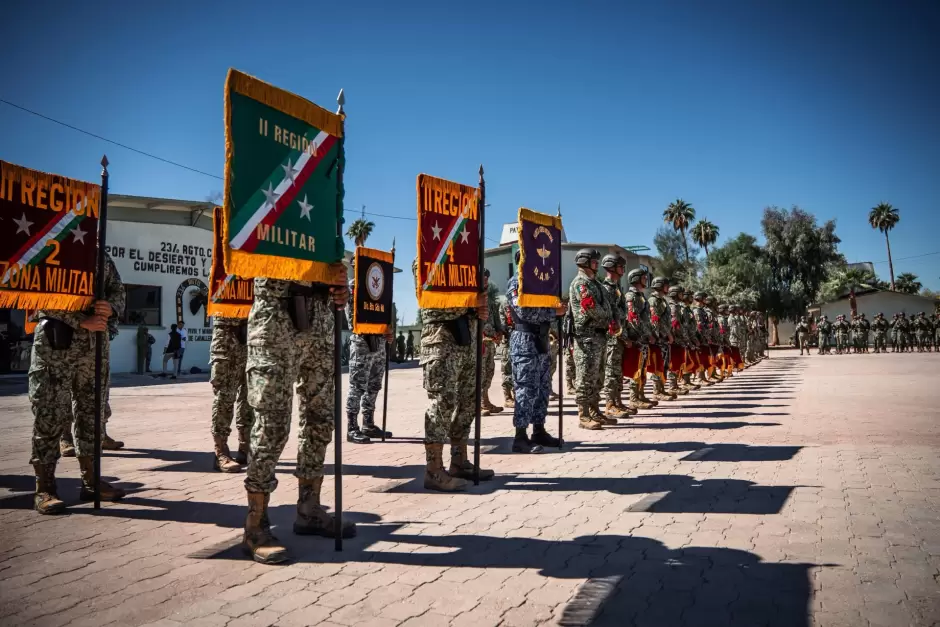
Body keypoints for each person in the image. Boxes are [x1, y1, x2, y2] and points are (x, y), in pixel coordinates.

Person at [242, 270, 355, 565]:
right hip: (276, 310)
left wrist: (339, 286)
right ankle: (256, 524)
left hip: (320, 316)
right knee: (273, 422)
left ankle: (310, 510)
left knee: (320, 419)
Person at [30, 253, 127, 515]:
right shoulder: (50, 246)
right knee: (50, 414)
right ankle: (45, 487)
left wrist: (111, 306)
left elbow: (117, 288)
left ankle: (91, 481)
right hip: (56, 345)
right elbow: (37, 295)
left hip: (94, 348)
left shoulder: (99, 256)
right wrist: (79, 320)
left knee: (92, 415)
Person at [414, 261, 492, 492]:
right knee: (442, 404)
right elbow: (429, 304)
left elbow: (475, 300)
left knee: (469, 402)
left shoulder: (465, 258)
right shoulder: (426, 257)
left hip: (467, 343)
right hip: (441, 343)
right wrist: (470, 303)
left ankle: (459, 460)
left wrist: (480, 309)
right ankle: (433, 469)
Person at [506, 255, 563, 453]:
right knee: (525, 389)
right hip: (524, 340)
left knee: (543, 387)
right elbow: (524, 312)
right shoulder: (516, 283)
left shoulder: (540, 283)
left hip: (541, 338)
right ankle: (520, 437)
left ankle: (539, 430)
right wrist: (553, 313)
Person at [345, 271, 394, 443]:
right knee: (357, 386)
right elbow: (353, 317)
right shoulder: (354, 287)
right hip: (362, 341)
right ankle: (352, 428)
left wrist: (387, 330)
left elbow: (383, 313)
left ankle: (368, 424)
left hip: (379, 341)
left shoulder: (380, 289)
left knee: (374, 385)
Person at [569, 248, 614, 430]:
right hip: (586, 337)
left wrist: (609, 317)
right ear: (584, 262)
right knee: (585, 377)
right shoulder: (581, 284)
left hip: (599, 336)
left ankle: (595, 411)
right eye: (594, 261)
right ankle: (584, 415)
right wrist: (607, 317)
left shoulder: (596, 284)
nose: (597, 264)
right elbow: (591, 308)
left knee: (598, 377)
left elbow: (608, 306)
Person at [209, 313, 253, 472]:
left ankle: (245, 448)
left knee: (249, 397)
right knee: (224, 397)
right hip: (227, 336)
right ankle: (220, 452)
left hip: (252, 335)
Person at [600, 254, 633, 418]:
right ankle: (610, 404)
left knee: (618, 372)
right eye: (620, 266)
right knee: (611, 372)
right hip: (613, 338)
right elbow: (611, 317)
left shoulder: (617, 288)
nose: (623, 269)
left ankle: (618, 401)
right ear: (611, 267)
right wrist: (621, 336)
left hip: (619, 336)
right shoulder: (606, 289)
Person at [625, 270, 660, 408]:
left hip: (643, 338)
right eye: (644, 278)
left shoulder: (641, 296)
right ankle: (634, 398)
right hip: (637, 337)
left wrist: (650, 333)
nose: (646, 280)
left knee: (643, 367)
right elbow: (633, 319)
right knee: (637, 368)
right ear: (636, 279)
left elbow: (646, 319)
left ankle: (641, 394)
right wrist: (647, 333)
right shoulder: (631, 296)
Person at [647, 276, 678, 401]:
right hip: (658, 337)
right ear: (660, 286)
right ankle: (656, 390)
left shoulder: (663, 300)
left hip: (664, 337)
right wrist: (665, 334)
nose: (668, 288)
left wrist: (669, 333)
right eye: (666, 285)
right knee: (658, 364)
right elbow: (655, 320)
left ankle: (662, 388)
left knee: (664, 364)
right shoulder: (653, 301)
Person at [480, 270, 504, 416]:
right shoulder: (475, 295)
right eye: (483, 279)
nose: (486, 282)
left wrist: (499, 331)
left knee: (489, 371)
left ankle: (485, 400)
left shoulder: (489, 296)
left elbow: (495, 314)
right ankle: (480, 404)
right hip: (479, 341)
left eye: (487, 279)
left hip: (490, 340)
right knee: (480, 372)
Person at [498, 297, 515, 408]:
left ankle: (518, 395)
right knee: (507, 369)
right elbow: (502, 324)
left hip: (520, 340)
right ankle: (508, 397)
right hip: (508, 341)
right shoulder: (506, 303)